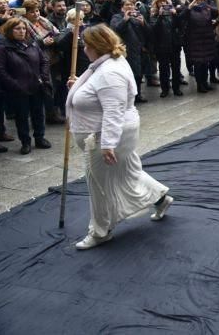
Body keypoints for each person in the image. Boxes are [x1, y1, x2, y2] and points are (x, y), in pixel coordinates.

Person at [66, 24, 173, 250]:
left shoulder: (110, 71)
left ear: (96, 46)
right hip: (108, 132)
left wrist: (107, 145)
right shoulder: (105, 64)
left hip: (106, 135)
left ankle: (100, 231)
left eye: (87, 44)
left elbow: (113, 110)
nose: (84, 48)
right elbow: (98, 94)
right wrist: (78, 87)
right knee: (129, 172)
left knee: (99, 184)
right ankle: (160, 198)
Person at [0, 18, 52, 154]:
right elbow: (0, 70)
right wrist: (14, 84)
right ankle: (25, 142)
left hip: (36, 85)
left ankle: (40, 138)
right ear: (10, 30)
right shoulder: (3, 48)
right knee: (22, 117)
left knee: (38, 113)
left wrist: (43, 77)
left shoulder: (32, 44)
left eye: (23, 29)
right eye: (17, 29)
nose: (21, 32)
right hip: (18, 89)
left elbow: (44, 61)